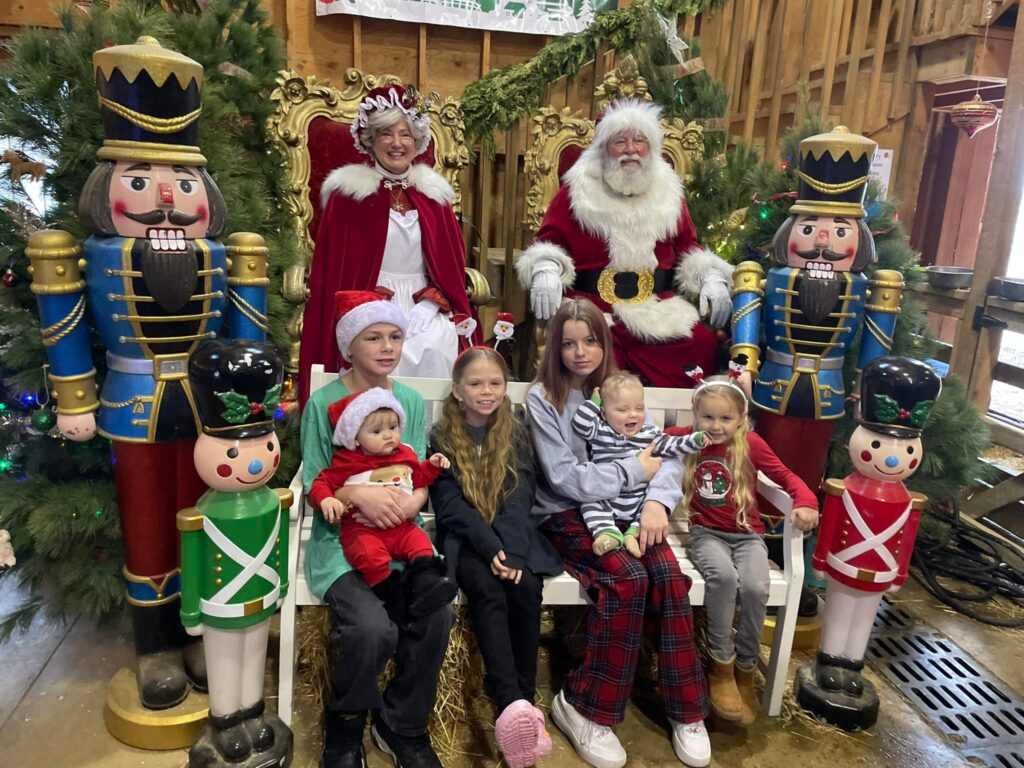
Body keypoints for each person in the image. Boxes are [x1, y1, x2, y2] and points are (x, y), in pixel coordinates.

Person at [27, 37, 267, 712]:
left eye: (183, 183)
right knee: (147, 527)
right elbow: (65, 325)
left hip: (208, 406)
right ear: (108, 189)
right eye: (141, 180)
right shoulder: (93, 254)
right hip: (131, 401)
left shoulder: (223, 254)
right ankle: (155, 646)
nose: (166, 198)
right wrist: (72, 396)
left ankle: (198, 631)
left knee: (205, 517)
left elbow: (244, 328)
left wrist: (249, 405)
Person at [525, 297, 711, 768]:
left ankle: (686, 709)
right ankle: (584, 706)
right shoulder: (543, 399)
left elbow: (662, 453)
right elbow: (564, 477)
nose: (580, 352)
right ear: (554, 347)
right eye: (568, 343)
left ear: (604, 343)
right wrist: (634, 471)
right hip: (565, 512)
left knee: (668, 576)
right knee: (627, 578)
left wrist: (656, 502)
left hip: (631, 510)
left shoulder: (620, 391)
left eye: (589, 341)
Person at [301, 290, 451, 768]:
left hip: (401, 533)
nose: (387, 347)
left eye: (394, 336)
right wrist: (353, 495)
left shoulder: (405, 399)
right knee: (370, 628)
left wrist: (410, 503)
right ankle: (345, 726)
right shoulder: (323, 402)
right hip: (344, 540)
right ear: (350, 345)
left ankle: (402, 724)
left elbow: (416, 473)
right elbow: (313, 479)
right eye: (374, 337)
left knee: (436, 615)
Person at [516, 98, 733, 388]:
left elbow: (688, 247)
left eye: (640, 140)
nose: (631, 149)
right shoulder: (578, 190)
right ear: (604, 148)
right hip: (594, 309)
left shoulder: (668, 193)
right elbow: (548, 242)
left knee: (702, 344)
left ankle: (673, 428)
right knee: (583, 352)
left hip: (657, 308)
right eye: (620, 141)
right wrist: (545, 268)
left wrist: (709, 276)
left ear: (651, 147)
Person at [298, 84, 479, 404]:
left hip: (426, 304)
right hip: (368, 301)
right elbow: (337, 274)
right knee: (383, 348)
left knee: (436, 344)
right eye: (386, 134)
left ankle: (431, 441)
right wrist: (370, 304)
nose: (397, 143)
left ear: (418, 140)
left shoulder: (434, 198)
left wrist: (433, 302)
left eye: (405, 134)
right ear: (370, 140)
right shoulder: (348, 197)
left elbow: (448, 267)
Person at [429, 346, 563, 768]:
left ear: (506, 390)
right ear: (457, 391)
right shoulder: (442, 436)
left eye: (495, 383)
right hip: (469, 541)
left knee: (525, 588)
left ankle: (525, 708)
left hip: (514, 537)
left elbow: (519, 494)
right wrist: (491, 548)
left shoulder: (517, 430)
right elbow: (450, 504)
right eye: (475, 383)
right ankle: (510, 704)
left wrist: (512, 551)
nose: (486, 391)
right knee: (487, 589)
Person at [667, 369, 818, 726]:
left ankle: (746, 667)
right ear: (695, 416)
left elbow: (786, 477)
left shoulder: (751, 444)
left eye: (725, 418)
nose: (716, 425)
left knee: (753, 584)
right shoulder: (689, 439)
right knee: (721, 577)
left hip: (748, 534)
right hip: (705, 533)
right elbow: (650, 440)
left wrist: (806, 500)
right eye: (707, 416)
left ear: (741, 419)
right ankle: (720, 666)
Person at [310, 387, 457, 619]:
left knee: (420, 543)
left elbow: (418, 478)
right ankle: (391, 593)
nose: (388, 435)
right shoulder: (347, 461)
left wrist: (432, 465)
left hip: (402, 527)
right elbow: (321, 483)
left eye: (393, 427)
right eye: (377, 431)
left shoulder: (405, 454)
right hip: (363, 529)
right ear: (356, 438)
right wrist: (327, 499)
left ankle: (427, 583)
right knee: (368, 555)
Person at [571, 372, 708, 557]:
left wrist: (695, 440)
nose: (633, 415)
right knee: (590, 503)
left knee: (647, 504)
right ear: (604, 413)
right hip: (606, 493)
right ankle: (607, 533)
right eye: (622, 410)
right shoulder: (599, 430)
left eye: (639, 408)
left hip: (637, 496)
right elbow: (580, 424)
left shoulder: (648, 433)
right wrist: (594, 402)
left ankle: (632, 535)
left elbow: (671, 445)